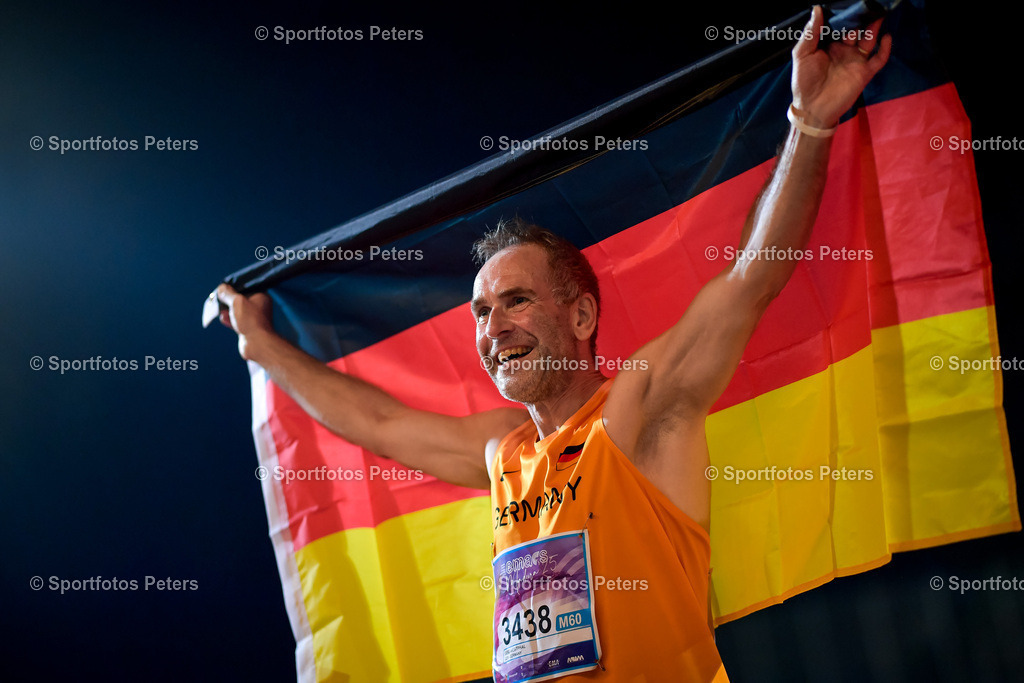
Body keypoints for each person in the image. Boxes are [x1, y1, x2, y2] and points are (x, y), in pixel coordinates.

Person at [217, 8, 890, 681]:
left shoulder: (639, 409)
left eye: (516, 300)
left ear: (582, 314)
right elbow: (379, 423)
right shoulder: (502, 450)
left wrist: (810, 120)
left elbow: (751, 276)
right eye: (481, 311)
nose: (492, 327)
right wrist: (261, 347)